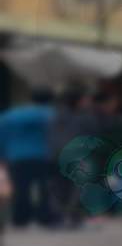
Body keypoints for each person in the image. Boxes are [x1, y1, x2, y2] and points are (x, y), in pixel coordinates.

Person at [0, 88, 56, 227]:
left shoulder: (11, 115)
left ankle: (20, 218)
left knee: (20, 189)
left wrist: (2, 155)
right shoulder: (51, 114)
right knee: (45, 188)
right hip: (43, 156)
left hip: (16, 156)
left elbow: (2, 135)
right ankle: (45, 217)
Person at [49, 83, 97, 228]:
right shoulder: (82, 117)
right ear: (78, 101)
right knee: (76, 189)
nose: (88, 102)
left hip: (57, 155)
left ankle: (59, 219)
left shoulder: (57, 114)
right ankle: (74, 219)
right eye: (86, 99)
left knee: (59, 188)